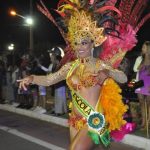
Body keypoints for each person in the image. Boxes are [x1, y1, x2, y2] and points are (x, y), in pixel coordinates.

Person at [17, 9, 129, 149]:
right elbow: (49, 80)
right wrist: (32, 78)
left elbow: (123, 78)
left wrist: (108, 72)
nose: (80, 47)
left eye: (84, 43)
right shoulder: (69, 67)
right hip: (75, 121)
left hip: (93, 119)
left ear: (92, 44)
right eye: (76, 43)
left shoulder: (100, 65)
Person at [134, 41, 150, 129]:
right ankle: (143, 122)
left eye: (144, 47)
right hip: (139, 82)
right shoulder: (139, 58)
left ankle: (148, 123)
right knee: (141, 102)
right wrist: (141, 64)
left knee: (148, 103)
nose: (142, 49)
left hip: (148, 82)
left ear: (148, 49)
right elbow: (135, 69)